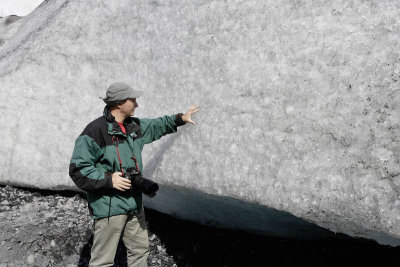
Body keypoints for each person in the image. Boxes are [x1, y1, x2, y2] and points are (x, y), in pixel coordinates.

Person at [69, 82, 199, 266]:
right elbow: (78, 169)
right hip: (109, 208)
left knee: (140, 251)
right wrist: (109, 179)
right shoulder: (94, 131)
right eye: (133, 100)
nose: (137, 104)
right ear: (120, 103)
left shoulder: (133, 126)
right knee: (102, 261)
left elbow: (156, 126)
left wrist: (180, 118)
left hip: (134, 204)